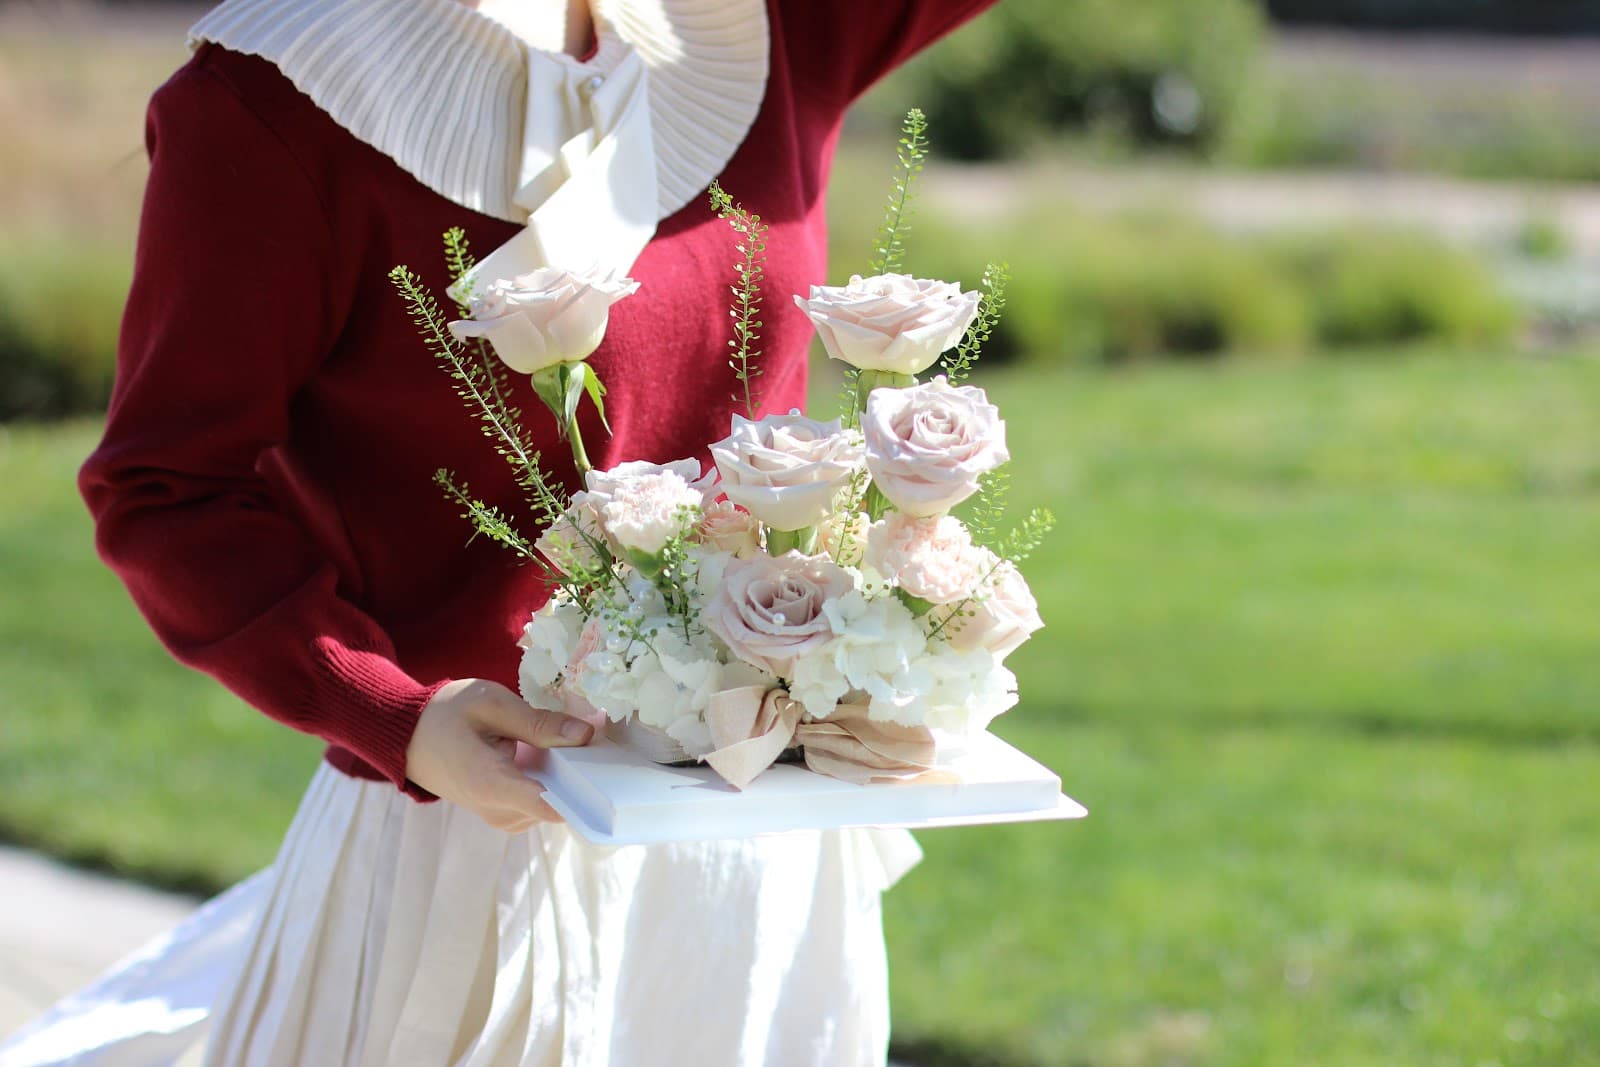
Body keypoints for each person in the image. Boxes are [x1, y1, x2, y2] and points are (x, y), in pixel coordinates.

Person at [4, 0, 1001, 1063]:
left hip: (768, 858)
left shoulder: (772, 25)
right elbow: (165, 488)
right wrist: (388, 710)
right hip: (481, 853)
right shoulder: (272, 102)